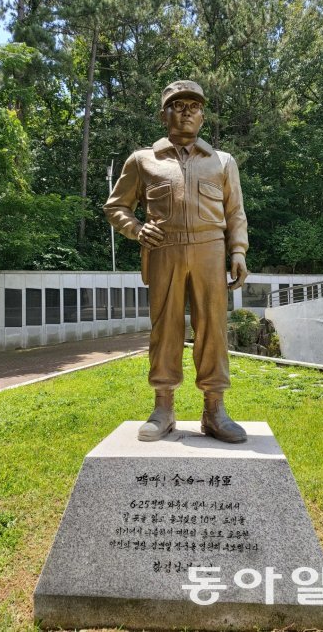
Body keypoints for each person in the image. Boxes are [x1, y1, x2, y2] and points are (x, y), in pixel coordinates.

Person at [104, 80, 249, 443]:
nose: (186, 111)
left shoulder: (222, 161)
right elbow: (115, 207)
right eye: (178, 105)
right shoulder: (143, 160)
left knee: (212, 329)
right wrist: (137, 230)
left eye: (194, 106)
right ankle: (163, 407)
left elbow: (235, 213)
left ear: (203, 116)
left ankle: (214, 409)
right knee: (165, 329)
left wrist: (238, 252)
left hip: (210, 251)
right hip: (164, 251)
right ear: (163, 114)